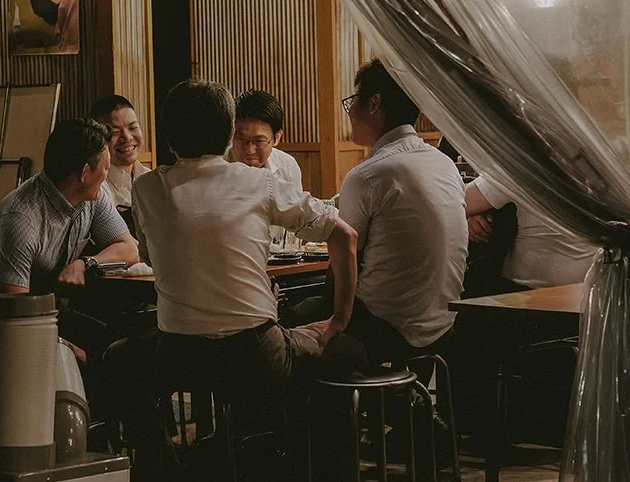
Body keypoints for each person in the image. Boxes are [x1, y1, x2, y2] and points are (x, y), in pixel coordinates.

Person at [133, 80, 359, 444]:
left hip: (179, 353)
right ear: (228, 136)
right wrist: (338, 321)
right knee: (345, 350)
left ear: (169, 138)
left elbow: (149, 258)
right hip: (253, 353)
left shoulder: (146, 188)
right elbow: (345, 236)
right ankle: (303, 467)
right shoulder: (261, 183)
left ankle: (164, 466)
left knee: (119, 358)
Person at [338, 59, 468, 368]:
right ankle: (407, 404)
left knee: (293, 316)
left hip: (385, 328)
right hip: (444, 324)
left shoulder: (367, 176)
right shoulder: (444, 165)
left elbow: (344, 258)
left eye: (353, 99)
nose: (350, 110)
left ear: (374, 102)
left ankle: (352, 411)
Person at [0, 117, 138, 301]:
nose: (107, 174)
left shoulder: (93, 196)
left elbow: (130, 249)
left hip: (45, 302)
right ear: (85, 173)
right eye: (106, 168)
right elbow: (12, 309)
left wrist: (85, 263)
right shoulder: (20, 219)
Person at [465, 174, 599, 290]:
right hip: (597, 293)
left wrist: (473, 213)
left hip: (525, 294)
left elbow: (454, 203)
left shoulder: (520, 166)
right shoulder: (600, 167)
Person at [224, 89, 303, 187]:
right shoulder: (217, 166)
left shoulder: (287, 167)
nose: (250, 150)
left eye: (259, 141)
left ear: (277, 138)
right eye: (241, 139)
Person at [89, 94, 149, 208]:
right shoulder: (96, 189)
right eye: (115, 132)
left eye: (133, 128)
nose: (127, 137)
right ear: (98, 139)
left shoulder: (151, 178)